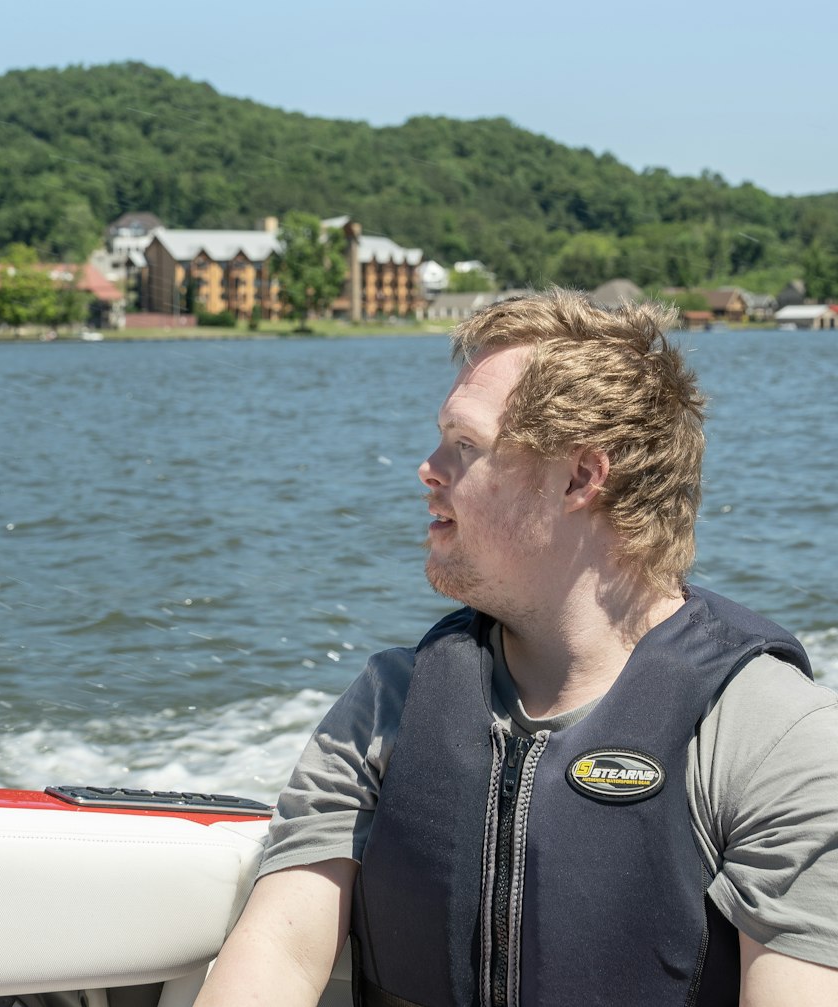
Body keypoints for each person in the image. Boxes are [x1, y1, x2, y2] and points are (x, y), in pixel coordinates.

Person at [195, 291, 838, 1007]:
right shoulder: (386, 710)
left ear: (580, 477)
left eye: (464, 444)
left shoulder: (775, 740)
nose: (427, 467)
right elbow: (278, 957)